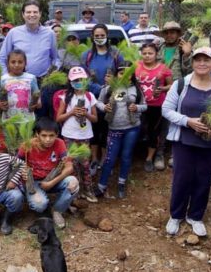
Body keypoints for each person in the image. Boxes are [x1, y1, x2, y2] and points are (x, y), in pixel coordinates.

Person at [162, 47, 211, 237]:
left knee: (203, 179)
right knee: (181, 178)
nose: (202, 63)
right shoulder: (180, 84)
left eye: (206, 60)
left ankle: (195, 216)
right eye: (198, 59)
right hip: (184, 141)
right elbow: (167, 109)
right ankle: (176, 215)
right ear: (192, 63)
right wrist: (188, 121)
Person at [95, 62, 146, 199]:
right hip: (114, 129)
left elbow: (145, 106)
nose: (125, 76)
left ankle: (121, 182)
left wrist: (137, 108)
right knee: (110, 158)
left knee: (126, 156)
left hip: (132, 128)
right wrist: (104, 107)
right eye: (122, 73)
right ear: (117, 74)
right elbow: (98, 102)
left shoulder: (136, 88)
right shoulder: (108, 89)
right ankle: (102, 185)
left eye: (129, 73)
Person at [19, 117, 78, 228]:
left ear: (57, 134)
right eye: (44, 135)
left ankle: (57, 210)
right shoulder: (27, 145)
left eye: (51, 136)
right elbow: (17, 163)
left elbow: (69, 168)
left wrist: (51, 183)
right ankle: (40, 201)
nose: (48, 139)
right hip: (34, 182)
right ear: (37, 134)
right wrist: (22, 172)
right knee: (40, 205)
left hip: (52, 179)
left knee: (73, 183)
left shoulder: (60, 143)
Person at [80, 24, 123, 171]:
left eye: (102, 35)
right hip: (91, 97)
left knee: (107, 128)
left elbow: (123, 75)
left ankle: (105, 159)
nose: (99, 38)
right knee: (93, 128)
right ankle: (94, 158)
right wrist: (99, 89)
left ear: (107, 35)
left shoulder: (116, 54)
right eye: (96, 36)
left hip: (111, 97)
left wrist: (112, 84)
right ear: (92, 37)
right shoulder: (87, 55)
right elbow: (82, 79)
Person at [56, 67, 98, 202]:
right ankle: (76, 191)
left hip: (84, 135)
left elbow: (95, 119)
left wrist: (86, 113)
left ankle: (89, 190)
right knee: (72, 164)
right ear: (70, 81)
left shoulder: (90, 96)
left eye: (81, 79)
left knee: (85, 164)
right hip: (69, 135)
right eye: (75, 80)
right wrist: (72, 112)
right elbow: (58, 118)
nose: (79, 82)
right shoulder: (66, 97)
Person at [0, 0, 59, 81]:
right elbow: (1, 58)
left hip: (44, 80)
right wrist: (7, 78)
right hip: (19, 81)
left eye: (35, 12)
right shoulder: (13, 33)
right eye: (28, 12)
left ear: (40, 14)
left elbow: (56, 58)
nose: (32, 15)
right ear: (23, 14)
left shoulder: (49, 34)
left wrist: (53, 73)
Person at [135, 43, 172, 172]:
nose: (147, 56)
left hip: (156, 105)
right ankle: (135, 155)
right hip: (139, 105)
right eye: (144, 53)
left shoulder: (163, 68)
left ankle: (149, 158)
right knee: (138, 129)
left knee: (153, 132)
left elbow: (170, 85)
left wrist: (162, 89)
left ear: (156, 54)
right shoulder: (136, 66)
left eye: (150, 53)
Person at [0, 49, 41, 120]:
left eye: (20, 62)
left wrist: (37, 103)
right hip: (9, 119)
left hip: (27, 119)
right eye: (13, 62)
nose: (16, 65)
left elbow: (37, 97)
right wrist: (0, 105)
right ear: (8, 63)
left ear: (25, 63)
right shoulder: (3, 79)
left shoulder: (31, 78)